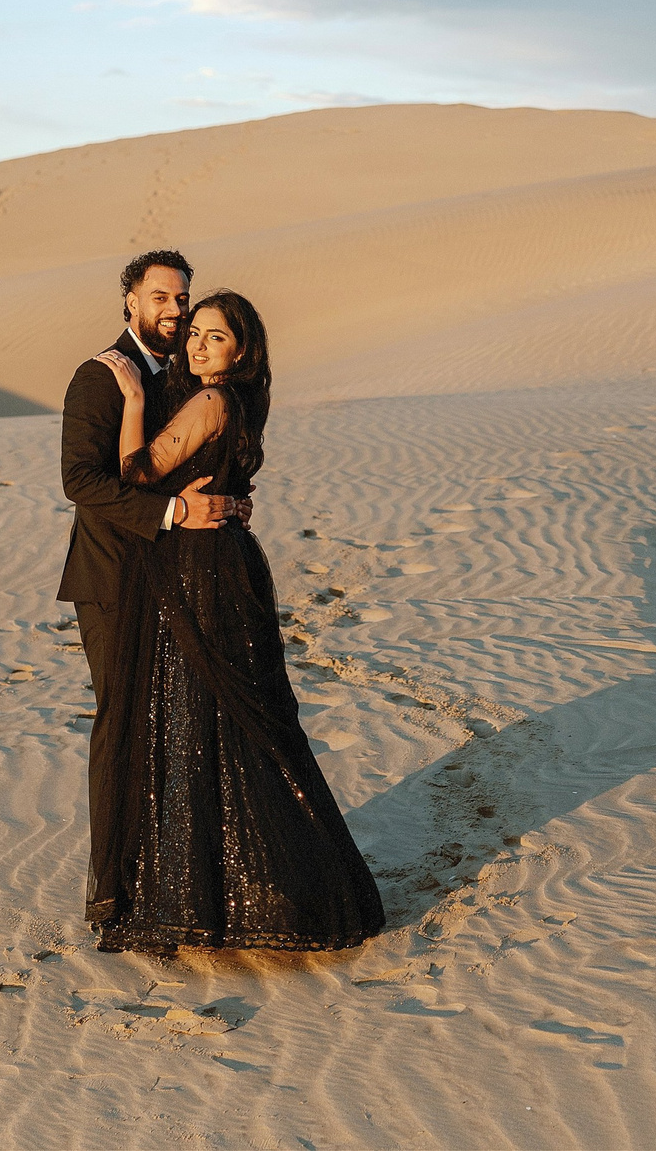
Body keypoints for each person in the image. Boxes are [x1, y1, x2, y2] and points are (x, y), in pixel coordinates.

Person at [85, 289, 386, 953]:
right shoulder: (237, 403)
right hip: (219, 560)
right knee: (225, 722)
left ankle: (219, 897)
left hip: (198, 570)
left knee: (198, 718)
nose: (196, 344)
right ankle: (242, 887)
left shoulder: (213, 401)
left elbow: (136, 473)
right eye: (193, 333)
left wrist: (133, 401)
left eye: (214, 337)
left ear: (242, 350)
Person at [57, 251, 247, 922]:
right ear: (130, 301)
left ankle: (170, 873)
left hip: (175, 580)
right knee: (120, 728)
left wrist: (226, 502)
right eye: (160, 297)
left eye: (182, 299)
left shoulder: (183, 373)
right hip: (112, 579)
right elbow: (81, 481)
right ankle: (110, 891)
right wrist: (173, 513)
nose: (174, 311)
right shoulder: (100, 375)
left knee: (173, 726)